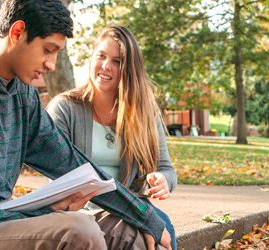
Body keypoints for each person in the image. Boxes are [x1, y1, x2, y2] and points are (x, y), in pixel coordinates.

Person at [0, 1, 171, 249]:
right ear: (17, 33)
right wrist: (44, 212)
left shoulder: (21, 94)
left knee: (131, 232)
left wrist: (145, 217)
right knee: (78, 230)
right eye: (47, 50)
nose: (51, 65)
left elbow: (72, 163)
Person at [47, 25, 178, 250]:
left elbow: (166, 168)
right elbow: (59, 177)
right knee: (144, 235)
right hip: (81, 208)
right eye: (101, 56)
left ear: (129, 70)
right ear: (92, 58)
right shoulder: (64, 109)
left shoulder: (145, 113)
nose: (106, 66)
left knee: (165, 228)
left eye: (117, 61)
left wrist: (163, 180)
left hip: (132, 205)